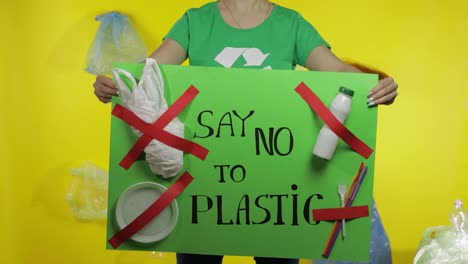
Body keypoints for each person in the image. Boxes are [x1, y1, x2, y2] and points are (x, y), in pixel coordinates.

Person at [93, 1, 398, 263]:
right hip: (202, 178)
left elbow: (338, 71)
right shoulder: (195, 22)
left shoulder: (291, 24)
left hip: (272, 180)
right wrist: (116, 84)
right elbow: (149, 72)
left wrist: (374, 85)